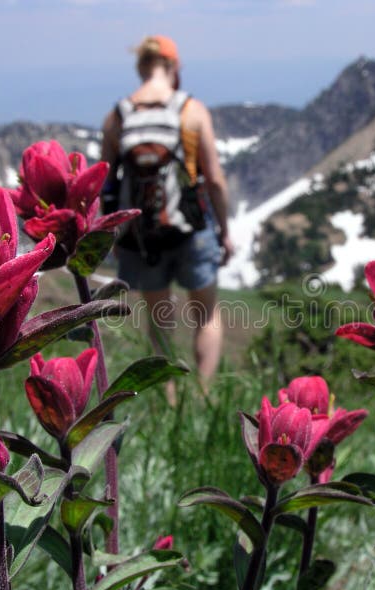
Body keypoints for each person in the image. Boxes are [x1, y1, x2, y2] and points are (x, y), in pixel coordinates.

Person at [100, 35, 233, 389]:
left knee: (159, 322)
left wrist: (111, 234)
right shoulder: (191, 111)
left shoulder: (117, 118)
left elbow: (106, 183)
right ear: (174, 68)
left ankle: (167, 401)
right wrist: (225, 230)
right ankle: (203, 397)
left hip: (143, 237)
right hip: (192, 229)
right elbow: (215, 180)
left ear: (141, 67)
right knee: (205, 313)